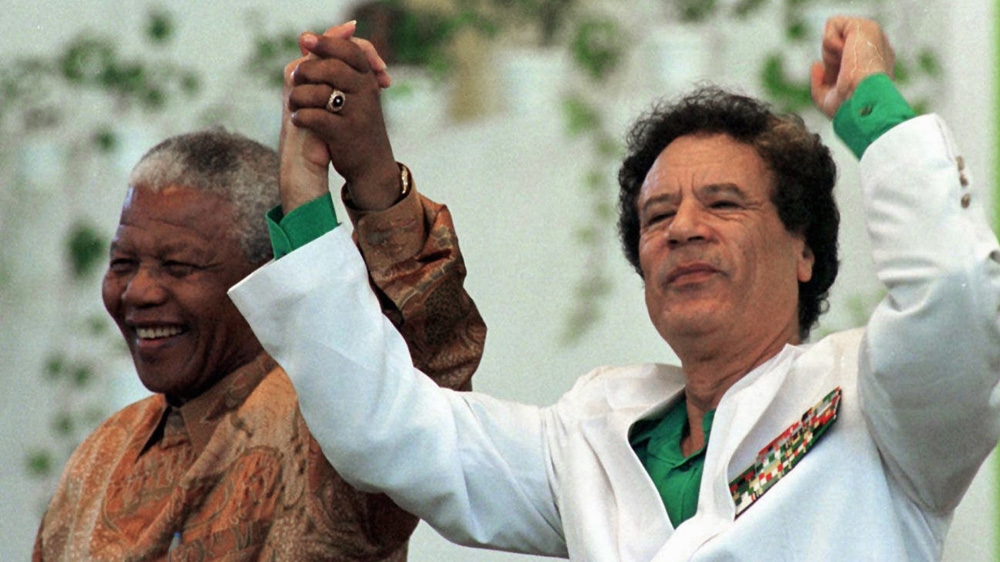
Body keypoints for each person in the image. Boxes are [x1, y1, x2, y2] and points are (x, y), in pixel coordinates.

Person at [231, 16, 1000, 561]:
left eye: (723, 203)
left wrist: (872, 105)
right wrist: (305, 197)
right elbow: (385, 430)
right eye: (657, 214)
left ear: (805, 251)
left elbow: (955, 293)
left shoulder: (884, 410)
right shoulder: (593, 433)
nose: (683, 229)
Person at [31, 26, 485, 562]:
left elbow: (432, 377)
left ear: (264, 274)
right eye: (122, 263)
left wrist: (370, 174)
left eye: (178, 267)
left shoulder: (334, 422)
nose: (139, 291)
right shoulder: (103, 455)